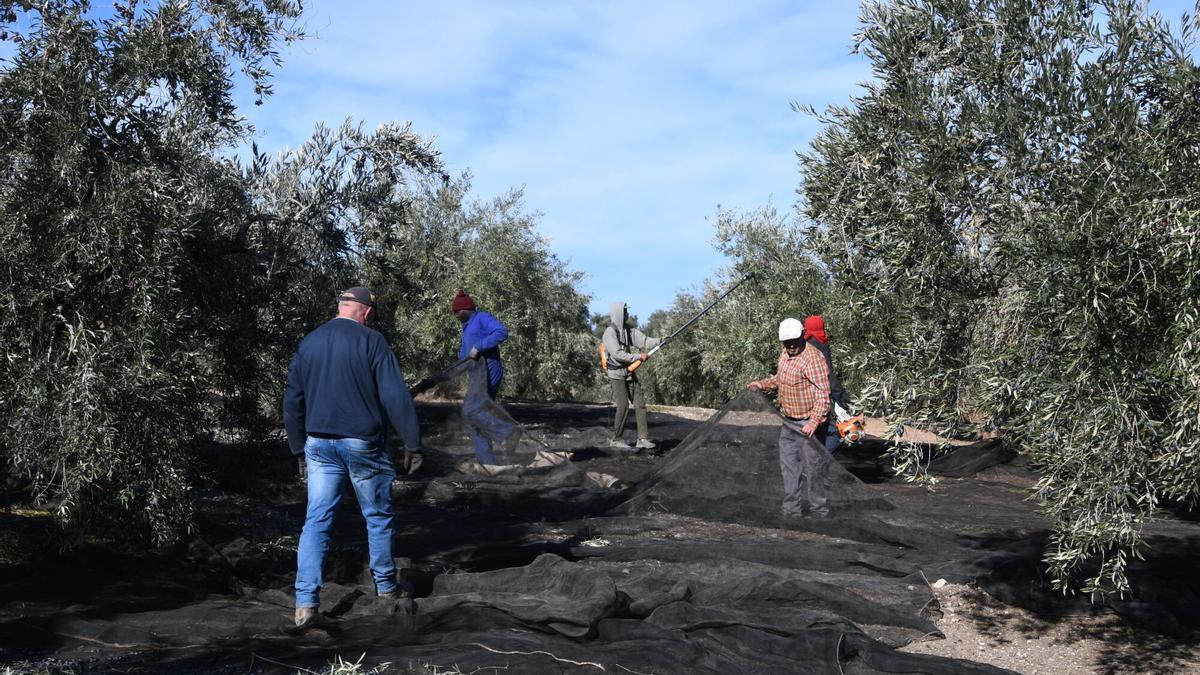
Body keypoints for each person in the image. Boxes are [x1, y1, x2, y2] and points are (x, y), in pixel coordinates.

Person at [282, 287, 423, 629]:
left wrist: (298, 447)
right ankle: (387, 588)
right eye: (373, 314)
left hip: (319, 445)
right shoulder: (372, 342)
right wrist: (413, 443)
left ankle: (305, 604)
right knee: (376, 516)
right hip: (362, 444)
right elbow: (394, 396)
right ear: (365, 312)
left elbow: (292, 400)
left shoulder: (310, 342)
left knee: (316, 521)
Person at [747, 317, 833, 518]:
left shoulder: (814, 358)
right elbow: (781, 379)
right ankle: (791, 510)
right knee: (789, 468)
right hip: (788, 421)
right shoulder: (785, 355)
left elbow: (823, 392)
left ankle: (819, 511)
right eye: (787, 342)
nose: (791, 345)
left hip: (808, 424)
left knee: (813, 470)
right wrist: (762, 384)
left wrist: (814, 421)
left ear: (803, 335)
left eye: (794, 340)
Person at [452, 289, 515, 465]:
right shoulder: (466, 328)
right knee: (476, 418)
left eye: (456, 311)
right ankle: (486, 461)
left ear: (465, 309)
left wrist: (480, 346)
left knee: (470, 411)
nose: (455, 315)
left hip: (488, 373)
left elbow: (501, 332)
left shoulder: (481, 318)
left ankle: (508, 432)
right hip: (476, 377)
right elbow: (466, 355)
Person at [602, 301, 666, 449]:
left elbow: (644, 341)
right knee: (623, 405)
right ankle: (616, 439)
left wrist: (661, 341)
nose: (627, 314)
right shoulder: (610, 333)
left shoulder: (628, 330)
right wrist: (638, 357)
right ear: (619, 313)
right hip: (616, 374)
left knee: (640, 404)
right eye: (625, 311)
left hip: (629, 372)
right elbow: (617, 355)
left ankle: (642, 439)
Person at [803, 315, 851, 453]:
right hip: (822, 397)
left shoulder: (804, 345)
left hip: (806, 398)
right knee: (836, 433)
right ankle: (818, 459)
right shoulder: (819, 346)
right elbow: (829, 375)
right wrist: (842, 397)